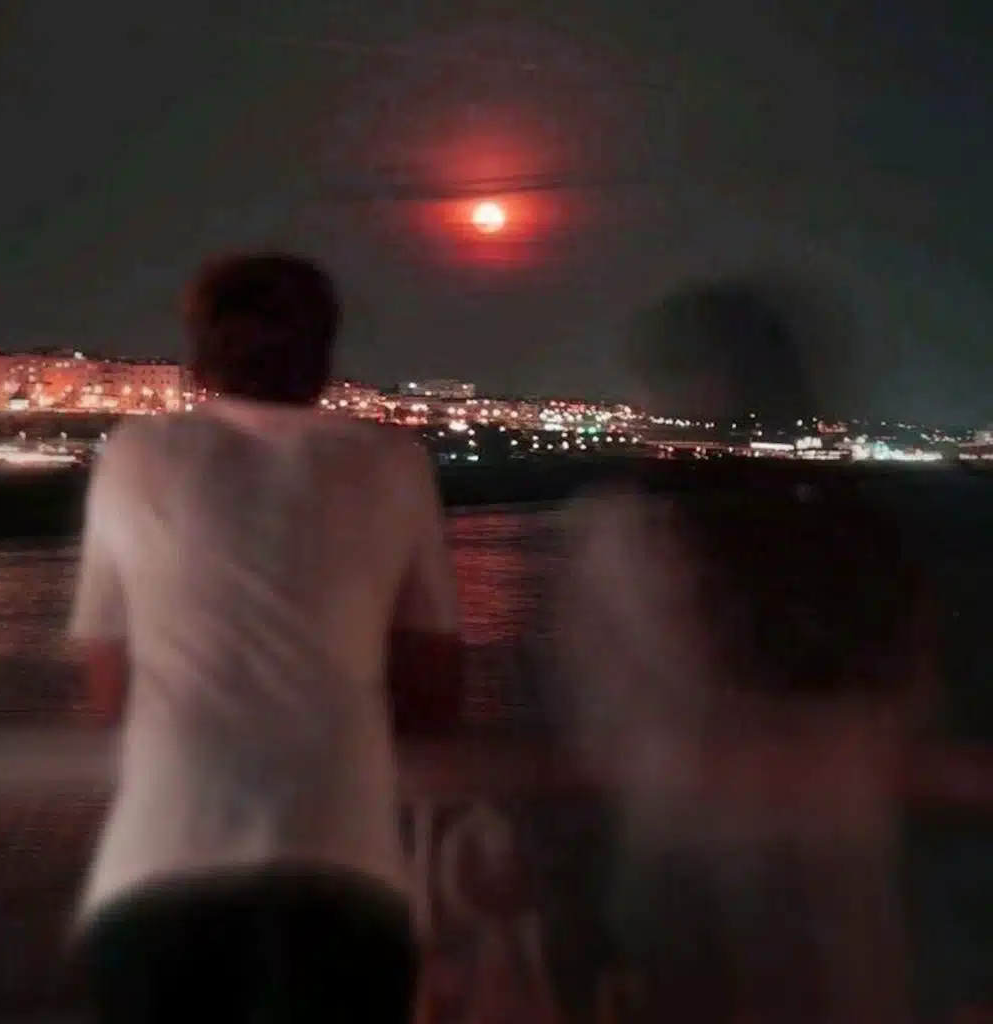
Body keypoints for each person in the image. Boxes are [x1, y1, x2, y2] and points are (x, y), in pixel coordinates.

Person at [68, 252, 462, 1023]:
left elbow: (110, 689)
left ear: (199, 354)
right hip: (342, 879)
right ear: (324, 353)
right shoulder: (392, 463)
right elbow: (433, 692)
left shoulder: (134, 455)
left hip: (159, 875)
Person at [547, 277, 936, 1024]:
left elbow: (604, 712)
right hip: (842, 875)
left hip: (689, 870)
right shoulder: (865, 537)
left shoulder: (629, 532)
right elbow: (910, 703)